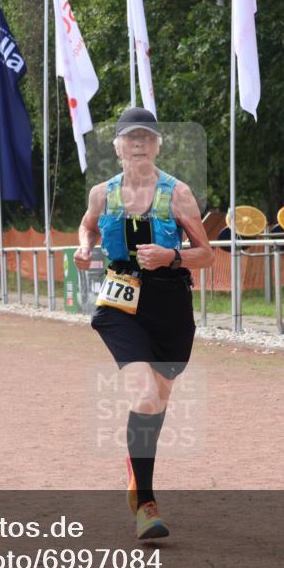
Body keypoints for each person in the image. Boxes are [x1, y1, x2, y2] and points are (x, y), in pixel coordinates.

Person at [75, 108, 213, 539]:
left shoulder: (179, 194)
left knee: (156, 405)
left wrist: (171, 256)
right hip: (121, 305)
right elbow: (88, 226)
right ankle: (147, 506)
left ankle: (136, 473)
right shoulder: (103, 193)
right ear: (116, 146)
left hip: (171, 305)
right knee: (146, 397)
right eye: (130, 137)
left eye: (147, 137)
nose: (139, 144)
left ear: (158, 145)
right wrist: (83, 248)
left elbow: (206, 253)